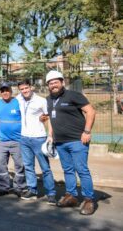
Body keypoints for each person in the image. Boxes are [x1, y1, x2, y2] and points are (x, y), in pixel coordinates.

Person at [45, 70, 97, 215]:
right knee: (67, 170)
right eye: (50, 83)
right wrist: (50, 135)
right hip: (60, 142)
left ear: (62, 82)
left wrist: (87, 132)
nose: (53, 85)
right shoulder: (48, 99)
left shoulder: (74, 95)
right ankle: (71, 196)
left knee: (82, 170)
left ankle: (89, 200)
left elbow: (91, 111)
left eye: (56, 82)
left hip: (77, 141)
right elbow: (51, 117)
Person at [16, 79, 56, 205]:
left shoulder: (41, 100)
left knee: (45, 167)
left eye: (26, 88)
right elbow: (6, 102)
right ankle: (32, 190)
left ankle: (51, 193)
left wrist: (50, 135)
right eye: (22, 89)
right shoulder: (18, 99)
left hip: (39, 138)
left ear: (31, 87)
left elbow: (49, 117)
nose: (24, 91)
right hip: (24, 138)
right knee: (28, 166)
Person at [0, 82, 26, 196]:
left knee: (19, 165)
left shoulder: (18, 102)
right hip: (3, 141)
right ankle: (3, 187)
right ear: (0, 93)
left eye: (7, 90)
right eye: (2, 91)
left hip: (18, 140)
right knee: (1, 164)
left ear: (11, 91)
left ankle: (19, 187)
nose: (5, 92)